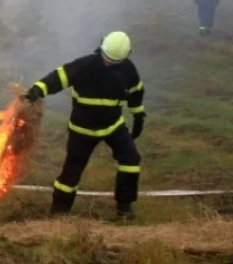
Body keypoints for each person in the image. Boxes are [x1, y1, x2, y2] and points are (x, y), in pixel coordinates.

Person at [23, 31, 146, 218]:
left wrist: (138, 116)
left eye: (114, 61)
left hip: (113, 126)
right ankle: (59, 210)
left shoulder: (129, 70)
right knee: (72, 170)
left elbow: (136, 93)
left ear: (126, 56)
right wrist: (37, 90)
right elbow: (58, 78)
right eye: (106, 58)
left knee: (131, 159)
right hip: (82, 129)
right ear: (101, 48)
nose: (108, 63)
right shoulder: (85, 65)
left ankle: (124, 207)